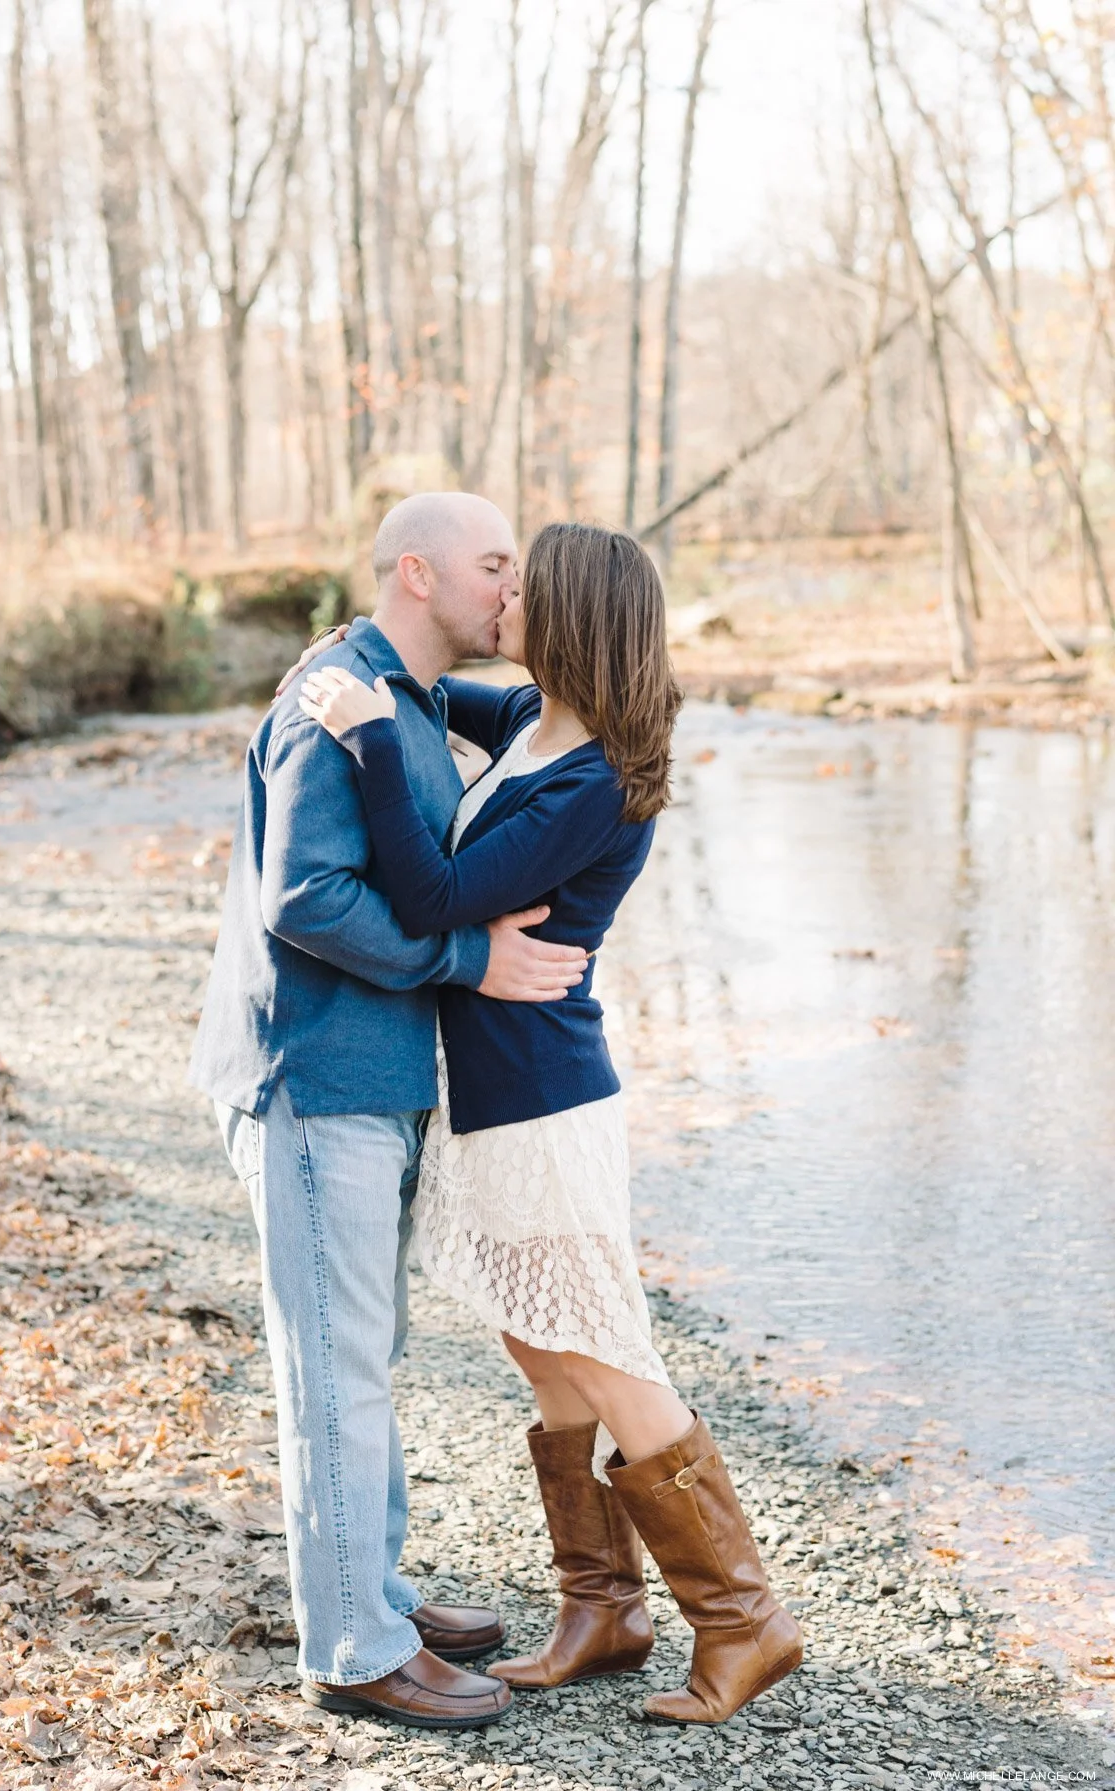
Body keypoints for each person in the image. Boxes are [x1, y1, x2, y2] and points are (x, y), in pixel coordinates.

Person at [299, 519, 803, 1726]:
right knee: (542, 1347)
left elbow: (434, 896)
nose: (507, 596)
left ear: (572, 618)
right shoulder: (536, 724)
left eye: (527, 586)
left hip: (544, 1106)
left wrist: (368, 736)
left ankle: (744, 1622)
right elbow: (454, 694)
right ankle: (603, 1611)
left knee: (605, 1354)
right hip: (495, 1098)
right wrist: (369, 666)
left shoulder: (593, 780)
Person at [188, 492, 594, 1731]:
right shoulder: (333, 708)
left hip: (374, 1083)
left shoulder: (402, 697)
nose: (509, 588)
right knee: (337, 1369)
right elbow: (304, 898)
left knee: (365, 1355)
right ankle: (355, 1648)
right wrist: (468, 960)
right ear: (416, 573)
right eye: (492, 566)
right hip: (313, 1084)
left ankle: (377, 1592)